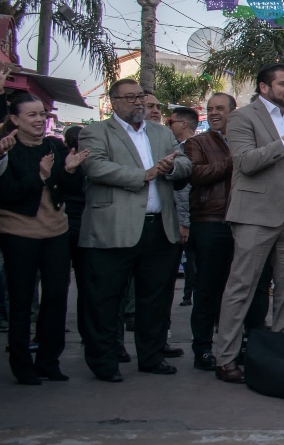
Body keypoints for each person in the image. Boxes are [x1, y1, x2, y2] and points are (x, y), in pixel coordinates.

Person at [211, 64, 284, 383]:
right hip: (255, 215)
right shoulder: (243, 117)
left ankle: (281, 352)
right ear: (264, 88)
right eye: (282, 84)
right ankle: (226, 358)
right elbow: (246, 163)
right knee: (242, 286)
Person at [78, 78, 191, 381]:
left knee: (155, 298)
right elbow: (96, 167)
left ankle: (151, 357)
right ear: (113, 102)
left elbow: (184, 165)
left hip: (158, 228)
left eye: (140, 97)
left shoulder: (161, 132)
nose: (138, 103)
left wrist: (171, 168)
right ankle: (104, 362)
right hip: (113, 228)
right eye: (130, 98)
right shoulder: (96, 132)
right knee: (105, 298)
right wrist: (143, 175)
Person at [0, 94, 87, 384]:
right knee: (22, 300)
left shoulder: (55, 145)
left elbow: (71, 187)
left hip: (56, 232)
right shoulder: (8, 149)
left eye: (42, 114)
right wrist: (38, 177)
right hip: (18, 233)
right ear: (14, 119)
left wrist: (71, 168)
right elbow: (7, 194)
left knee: (56, 297)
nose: (39, 120)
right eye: (31, 115)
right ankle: (22, 364)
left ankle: (50, 360)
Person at [183, 94, 239, 371]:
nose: (214, 113)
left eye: (220, 108)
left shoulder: (245, 139)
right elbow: (194, 174)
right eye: (210, 109)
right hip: (210, 221)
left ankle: (236, 345)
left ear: (233, 112)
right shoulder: (197, 142)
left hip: (243, 222)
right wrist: (231, 163)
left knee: (238, 289)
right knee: (207, 289)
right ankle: (202, 348)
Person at [61, 125, 89, 344]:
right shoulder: (82, 162)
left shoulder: (65, 160)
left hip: (68, 225)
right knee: (85, 284)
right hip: (76, 225)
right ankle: (85, 332)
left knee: (61, 283)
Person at [168, 107, 199, 308]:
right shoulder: (178, 146)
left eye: (171, 122)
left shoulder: (190, 148)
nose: (168, 126)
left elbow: (185, 191)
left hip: (188, 221)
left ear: (184, 124)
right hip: (182, 220)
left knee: (194, 266)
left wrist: (184, 223)